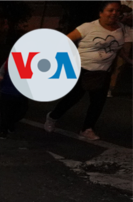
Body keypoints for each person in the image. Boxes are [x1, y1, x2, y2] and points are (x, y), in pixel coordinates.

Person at [44, 0, 133, 140]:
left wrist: (128, 60)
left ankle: (87, 129)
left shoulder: (121, 28)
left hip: (103, 73)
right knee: (72, 99)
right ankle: (53, 116)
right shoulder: (88, 27)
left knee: (98, 103)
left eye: (117, 11)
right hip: (82, 70)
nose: (114, 13)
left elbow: (117, 47)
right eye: (110, 10)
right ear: (101, 13)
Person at [0, 59, 29, 138]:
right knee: (5, 112)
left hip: (21, 93)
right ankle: (3, 130)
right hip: (7, 92)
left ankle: (10, 123)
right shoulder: (9, 62)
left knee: (21, 111)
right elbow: (0, 72)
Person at [108, 0, 133, 96]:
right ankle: (110, 88)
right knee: (119, 63)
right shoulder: (118, 1)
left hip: (129, 34)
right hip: (121, 35)